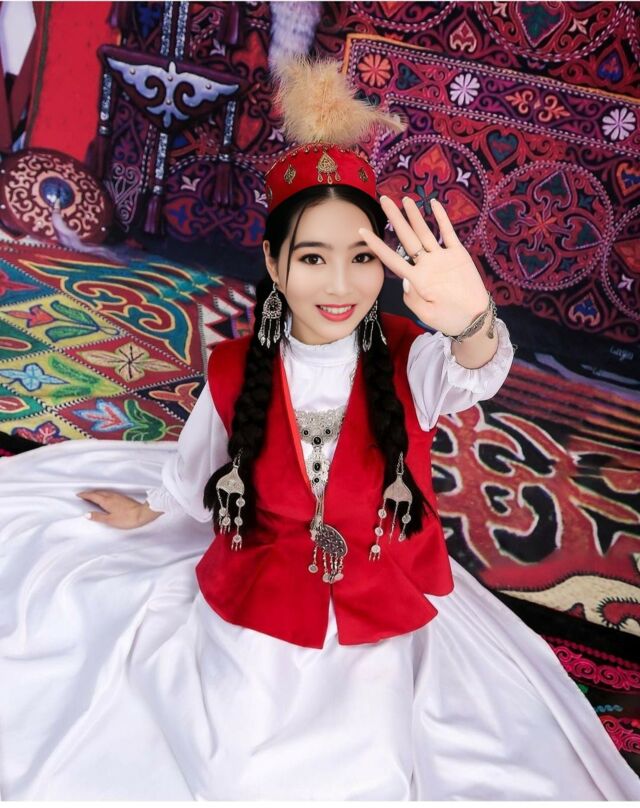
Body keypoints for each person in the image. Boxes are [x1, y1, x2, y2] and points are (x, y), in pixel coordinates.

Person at [1, 57, 639, 801]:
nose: (339, 286)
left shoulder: (410, 358)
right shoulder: (235, 367)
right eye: (313, 258)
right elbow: (200, 462)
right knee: (228, 759)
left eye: (362, 258)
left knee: (365, 762)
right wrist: (150, 513)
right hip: (257, 592)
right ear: (274, 264)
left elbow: (474, 373)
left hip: (377, 597)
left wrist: (472, 322)